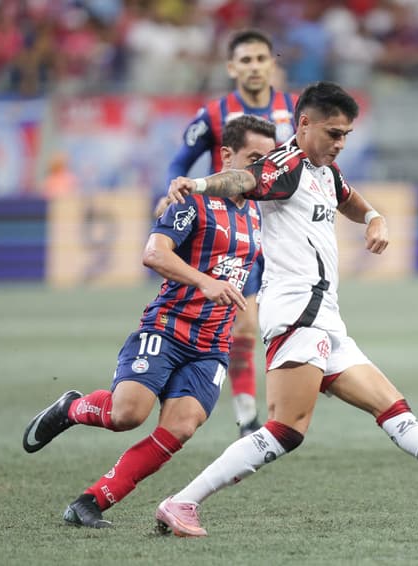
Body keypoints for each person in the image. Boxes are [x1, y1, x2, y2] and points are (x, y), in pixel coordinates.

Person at [155, 81, 418, 538]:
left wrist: (374, 217)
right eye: (333, 133)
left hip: (327, 318)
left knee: (397, 412)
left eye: (346, 135)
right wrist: (200, 183)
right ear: (303, 125)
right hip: (298, 314)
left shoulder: (325, 170)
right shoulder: (285, 166)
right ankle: (181, 502)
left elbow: (348, 198)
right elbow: (244, 179)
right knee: (286, 430)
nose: (340, 143)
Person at [22, 115, 277, 528]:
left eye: (267, 162)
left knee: (181, 427)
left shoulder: (263, 214)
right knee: (127, 415)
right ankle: (72, 408)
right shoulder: (193, 202)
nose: (259, 171)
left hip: (212, 345)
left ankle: (91, 502)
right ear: (226, 156)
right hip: (167, 328)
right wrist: (204, 282)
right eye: (252, 159)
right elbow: (154, 253)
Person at [160, 28, 298, 439]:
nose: (255, 67)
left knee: (267, 322)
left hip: (277, 228)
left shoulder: (294, 110)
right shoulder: (214, 115)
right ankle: (245, 416)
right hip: (229, 230)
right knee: (242, 323)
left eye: (261, 59)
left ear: (272, 64)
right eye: (246, 60)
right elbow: (179, 162)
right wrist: (171, 190)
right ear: (232, 67)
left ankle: (257, 408)